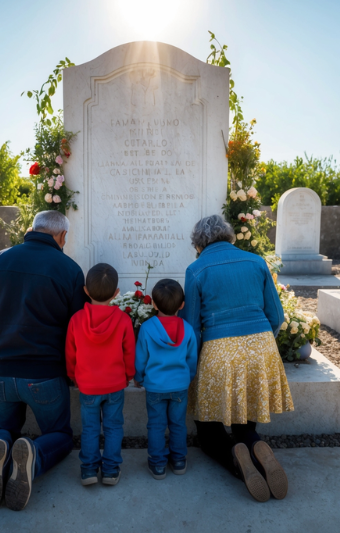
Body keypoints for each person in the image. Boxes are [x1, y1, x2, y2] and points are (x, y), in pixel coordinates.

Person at [0, 210, 87, 511]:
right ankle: (33, 456)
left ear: (32, 229)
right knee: (59, 434)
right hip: (43, 373)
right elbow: (77, 329)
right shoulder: (69, 269)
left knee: (4, 427)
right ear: (62, 236)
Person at [181, 214, 293, 503]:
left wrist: (193, 366)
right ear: (229, 235)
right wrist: (261, 343)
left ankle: (233, 457)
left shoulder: (196, 269)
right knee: (246, 419)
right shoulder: (256, 261)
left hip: (220, 348)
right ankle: (254, 444)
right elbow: (276, 316)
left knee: (207, 426)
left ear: (198, 243)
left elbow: (192, 326)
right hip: (261, 343)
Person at [65, 263, 136, 486]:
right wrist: (129, 375)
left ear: (86, 291)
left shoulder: (76, 320)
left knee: (90, 428)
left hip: (87, 387)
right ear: (116, 293)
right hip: (115, 386)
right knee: (114, 427)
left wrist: (72, 376)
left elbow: (70, 352)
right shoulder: (123, 320)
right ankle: (111, 471)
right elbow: (129, 353)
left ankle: (88, 471)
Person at [134, 279, 198, 480]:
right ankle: (179, 461)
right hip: (179, 385)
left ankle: (158, 464)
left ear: (153, 304)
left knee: (156, 425)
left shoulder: (146, 328)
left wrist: (139, 377)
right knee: (178, 424)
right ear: (182, 304)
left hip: (155, 387)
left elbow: (141, 357)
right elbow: (191, 359)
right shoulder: (188, 329)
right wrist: (188, 377)